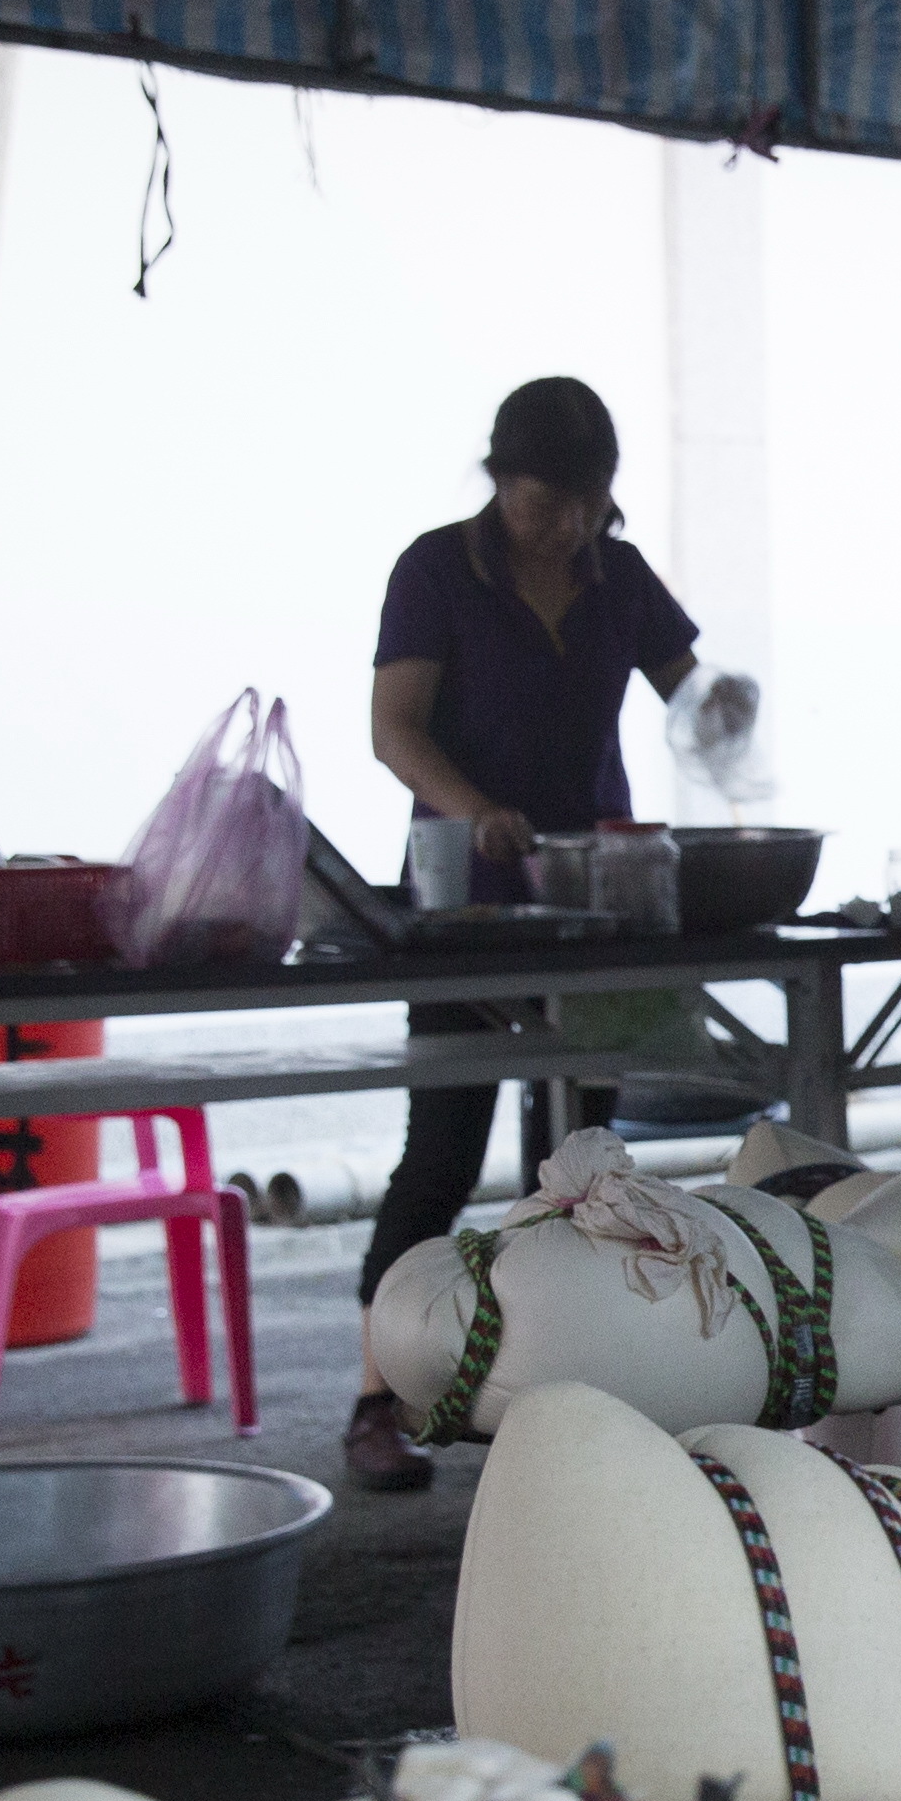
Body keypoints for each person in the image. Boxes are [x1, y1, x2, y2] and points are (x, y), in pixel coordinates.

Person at [342, 376, 700, 1493]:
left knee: (584, 1157)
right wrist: (472, 808)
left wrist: (724, 713)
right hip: (465, 909)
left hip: (590, 902)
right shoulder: (437, 569)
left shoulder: (619, 576)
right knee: (442, 1148)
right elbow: (392, 731)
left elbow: (690, 687)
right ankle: (376, 1397)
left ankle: (569, 1383)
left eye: (584, 503)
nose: (564, 525)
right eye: (543, 501)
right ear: (499, 481)